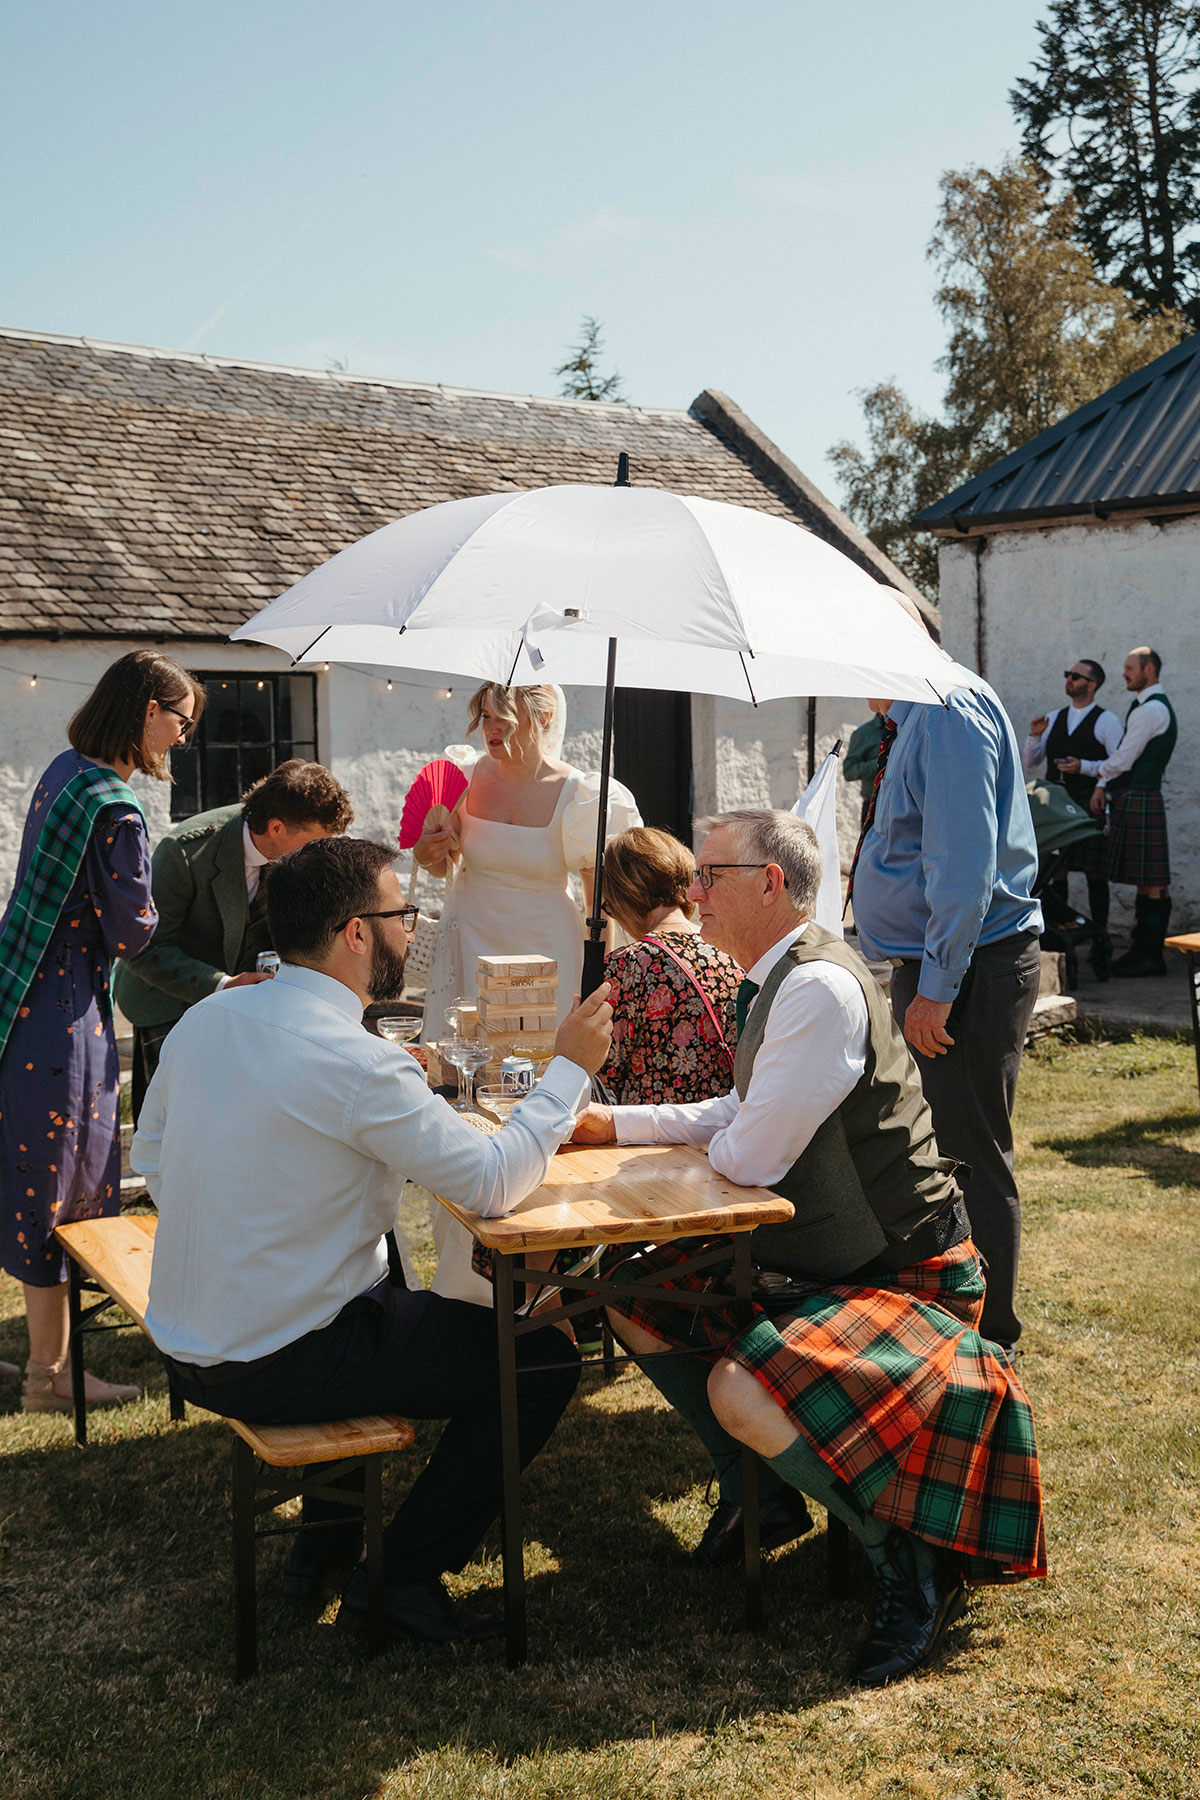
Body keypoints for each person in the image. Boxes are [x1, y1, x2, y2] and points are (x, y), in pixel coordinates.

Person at [574, 810, 1046, 1687]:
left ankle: (908, 1562)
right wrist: (616, 1125)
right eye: (696, 875)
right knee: (634, 1292)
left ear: (772, 884)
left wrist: (706, 1144)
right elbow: (738, 1114)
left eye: (712, 875)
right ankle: (762, 1496)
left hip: (908, 1274)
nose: (694, 892)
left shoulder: (817, 988)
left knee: (738, 1382)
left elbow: (751, 1152)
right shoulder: (769, 979)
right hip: (832, 1259)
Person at [134, 836, 614, 1645]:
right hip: (273, 1356)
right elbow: (493, 1182)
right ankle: (399, 1580)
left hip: (186, 1338)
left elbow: (151, 1159)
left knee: (381, 1271)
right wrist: (568, 1070)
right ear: (356, 933)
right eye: (402, 914)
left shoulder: (208, 1017)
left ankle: (319, 1547)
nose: (411, 930)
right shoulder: (356, 1062)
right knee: (539, 1360)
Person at [0, 649, 200, 1412]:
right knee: (67, 1190)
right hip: (68, 1018)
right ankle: (51, 1377)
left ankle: (47, 1361)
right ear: (148, 708)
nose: (181, 737)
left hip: (20, 1000)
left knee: (30, 1181)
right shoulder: (116, 805)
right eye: (180, 720)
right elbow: (133, 932)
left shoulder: (62, 770)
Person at [414, 682, 639, 1304]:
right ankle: (464, 1279)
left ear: (541, 719)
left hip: (551, 958)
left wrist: (607, 987)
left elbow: (604, 904)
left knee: (543, 1099)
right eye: (483, 716)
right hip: (468, 952)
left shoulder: (581, 796)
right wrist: (435, 851)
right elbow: (439, 865)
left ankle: (555, 1283)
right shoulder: (459, 776)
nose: (489, 729)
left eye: (502, 718)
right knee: (462, 1099)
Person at [850, 678, 1042, 1355]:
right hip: (952, 966)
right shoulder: (922, 715)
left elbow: (962, 867)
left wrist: (937, 988)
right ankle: (962, 1314)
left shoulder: (944, 711)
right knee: (949, 1150)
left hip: (967, 970)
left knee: (970, 1156)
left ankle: (989, 1337)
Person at [114, 759, 354, 1122]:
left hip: (249, 1007)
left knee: (236, 1124)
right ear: (276, 828)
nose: (321, 854)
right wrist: (223, 984)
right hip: (167, 1003)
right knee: (175, 1125)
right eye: (317, 842)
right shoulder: (184, 852)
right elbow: (142, 949)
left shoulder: (291, 849)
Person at [599, 826, 741, 1105]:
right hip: (725, 1129)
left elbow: (604, 1070)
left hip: (649, 1134)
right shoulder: (731, 953)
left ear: (625, 897)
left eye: (610, 906)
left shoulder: (626, 967)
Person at [1022, 658, 1121, 975]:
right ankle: (1057, 944)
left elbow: (1117, 762)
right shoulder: (1053, 718)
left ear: (1092, 684)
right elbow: (1031, 762)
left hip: (1088, 803)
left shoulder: (1107, 721)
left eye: (1076, 676)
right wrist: (1035, 736)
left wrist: (1090, 772)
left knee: (1095, 874)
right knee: (1056, 870)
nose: (1069, 679)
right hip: (1057, 807)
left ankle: (1100, 944)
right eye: (1068, 674)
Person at [1085, 647, 1177, 978]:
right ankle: (1144, 952)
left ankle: (1150, 955)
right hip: (1142, 796)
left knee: (1152, 883)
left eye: (1129, 668)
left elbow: (1124, 759)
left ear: (1148, 670)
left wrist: (1099, 780)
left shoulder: (1149, 711)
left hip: (1139, 796)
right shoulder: (1148, 707)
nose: (1124, 673)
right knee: (1148, 883)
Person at [843, 714, 888, 826]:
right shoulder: (863, 733)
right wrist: (880, 762)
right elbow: (849, 771)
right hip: (873, 807)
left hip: (902, 806)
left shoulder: (904, 729)